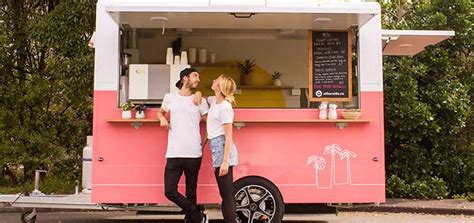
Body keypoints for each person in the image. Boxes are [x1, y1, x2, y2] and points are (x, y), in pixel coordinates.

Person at [157, 68, 209, 223]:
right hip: (174, 152)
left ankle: (192, 220)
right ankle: (196, 214)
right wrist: (162, 118)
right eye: (195, 76)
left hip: (193, 153)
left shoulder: (200, 100)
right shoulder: (169, 98)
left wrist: (203, 142)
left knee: (191, 192)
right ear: (185, 78)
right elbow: (160, 112)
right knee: (170, 191)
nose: (198, 79)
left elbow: (209, 123)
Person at [200, 74, 239, 223]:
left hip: (223, 149)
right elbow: (202, 98)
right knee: (225, 193)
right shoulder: (214, 101)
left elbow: (228, 136)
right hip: (216, 147)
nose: (213, 81)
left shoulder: (225, 107)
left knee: (227, 195)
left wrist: (225, 162)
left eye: (216, 80)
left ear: (220, 87)